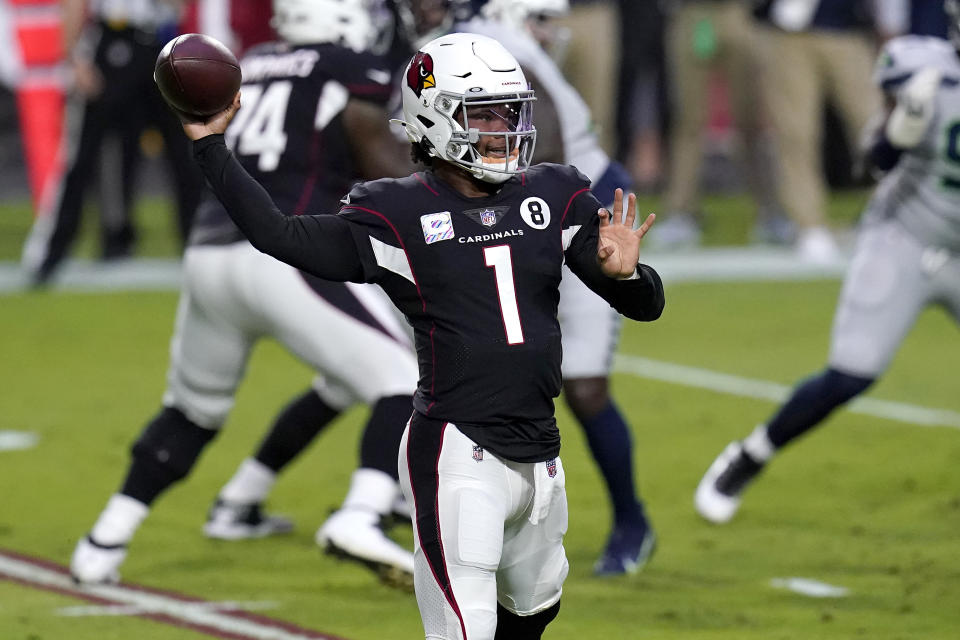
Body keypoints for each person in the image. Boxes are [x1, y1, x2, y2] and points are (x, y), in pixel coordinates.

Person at [181, 31, 664, 640]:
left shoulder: (553, 191)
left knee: (536, 612)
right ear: (433, 117)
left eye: (509, 113)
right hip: (457, 453)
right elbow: (281, 235)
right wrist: (210, 148)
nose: (502, 130)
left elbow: (644, 305)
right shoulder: (394, 212)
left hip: (539, 449)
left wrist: (631, 276)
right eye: (484, 114)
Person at [69, 0, 421, 588]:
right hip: (288, 251)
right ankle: (362, 515)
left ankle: (103, 541)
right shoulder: (347, 65)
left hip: (210, 252)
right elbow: (377, 138)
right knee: (403, 382)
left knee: (192, 411)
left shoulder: (249, 61)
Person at [695, 3, 960, 524]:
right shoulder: (922, 67)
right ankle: (752, 454)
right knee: (851, 375)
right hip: (903, 239)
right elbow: (871, 162)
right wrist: (898, 133)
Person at [455, 0, 657, 575]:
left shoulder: (499, 52)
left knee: (585, 387)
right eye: (540, 19)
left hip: (564, 221)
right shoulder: (487, 44)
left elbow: (548, 160)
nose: (548, 34)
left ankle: (631, 522)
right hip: (523, 223)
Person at [22, 0, 204, 286]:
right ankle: (52, 251)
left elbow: (181, 6)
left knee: (185, 154)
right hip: (112, 42)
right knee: (84, 156)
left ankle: (198, 249)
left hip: (160, 41)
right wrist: (73, 57)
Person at [751, 0, 887, 263]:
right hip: (788, 33)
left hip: (845, 27)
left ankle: (890, 216)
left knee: (873, 125)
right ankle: (809, 225)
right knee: (796, 132)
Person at [652, 0, 791, 249]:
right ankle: (681, 212)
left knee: (750, 119)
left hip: (739, 13)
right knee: (688, 121)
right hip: (692, 15)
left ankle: (771, 212)